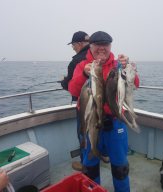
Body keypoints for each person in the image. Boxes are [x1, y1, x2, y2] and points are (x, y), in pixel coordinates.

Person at [68, 31, 139, 192]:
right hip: (92, 121)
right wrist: (84, 74)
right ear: (90, 47)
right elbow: (73, 89)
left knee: (120, 166)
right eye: (97, 45)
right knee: (90, 166)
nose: (101, 48)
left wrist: (129, 67)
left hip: (115, 123)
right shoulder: (82, 65)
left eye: (105, 45)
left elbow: (135, 83)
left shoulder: (117, 65)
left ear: (110, 46)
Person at [60, 31, 90, 171]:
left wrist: (63, 82)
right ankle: (104, 155)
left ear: (79, 44)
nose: (72, 48)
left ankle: (85, 164)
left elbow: (72, 87)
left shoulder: (76, 61)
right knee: (97, 129)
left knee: (83, 132)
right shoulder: (95, 56)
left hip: (83, 104)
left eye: (73, 45)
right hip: (98, 103)